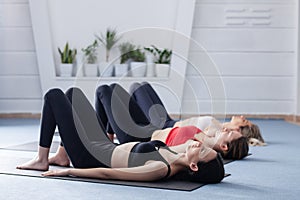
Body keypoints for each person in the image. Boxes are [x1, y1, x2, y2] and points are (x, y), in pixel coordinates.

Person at [16, 87, 224, 183]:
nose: (200, 145)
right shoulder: (177, 154)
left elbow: (109, 174)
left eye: (203, 150)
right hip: (104, 146)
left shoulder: (161, 168)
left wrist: (69, 173)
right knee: (72, 94)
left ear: (194, 166)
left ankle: (41, 159)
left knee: (54, 96)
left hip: (89, 156)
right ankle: (61, 155)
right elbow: (196, 139)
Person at [95, 83, 249, 160]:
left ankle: (101, 144)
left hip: (138, 139)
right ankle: (107, 140)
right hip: (148, 128)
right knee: (114, 88)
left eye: (228, 134)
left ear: (224, 146)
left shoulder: (201, 149)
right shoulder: (207, 135)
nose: (226, 130)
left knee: (103, 90)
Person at [129, 82, 265, 146]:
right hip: (169, 120)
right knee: (144, 86)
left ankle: (123, 127)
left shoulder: (216, 133)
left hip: (163, 126)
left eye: (244, 121)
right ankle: (127, 125)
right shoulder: (219, 126)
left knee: (136, 88)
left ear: (238, 130)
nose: (242, 117)